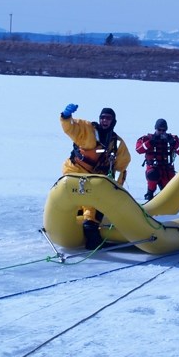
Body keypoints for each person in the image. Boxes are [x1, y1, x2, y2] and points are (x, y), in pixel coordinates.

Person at [59, 103, 131, 249]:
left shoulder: (117, 143)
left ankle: (89, 228)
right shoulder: (87, 129)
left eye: (108, 118)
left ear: (113, 121)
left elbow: (122, 165)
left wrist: (117, 187)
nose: (105, 121)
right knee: (89, 202)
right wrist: (66, 116)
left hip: (94, 177)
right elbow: (71, 127)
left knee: (93, 202)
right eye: (103, 118)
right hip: (74, 171)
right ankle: (89, 231)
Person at [135, 118, 179, 201]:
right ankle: (150, 192)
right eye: (159, 130)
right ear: (155, 129)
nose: (162, 132)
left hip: (167, 169)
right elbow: (139, 150)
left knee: (171, 193)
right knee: (153, 174)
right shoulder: (147, 138)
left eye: (164, 130)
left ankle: (166, 194)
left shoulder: (173, 139)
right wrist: (150, 142)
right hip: (153, 168)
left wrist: (174, 143)